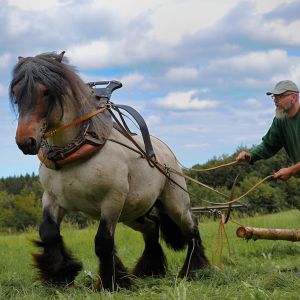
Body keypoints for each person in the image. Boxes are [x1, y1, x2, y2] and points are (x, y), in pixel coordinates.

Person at [236, 80, 300, 181]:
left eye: (280, 96)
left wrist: (291, 170)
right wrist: (251, 156)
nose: (275, 100)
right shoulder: (280, 121)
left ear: (294, 97)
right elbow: (268, 145)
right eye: (274, 97)